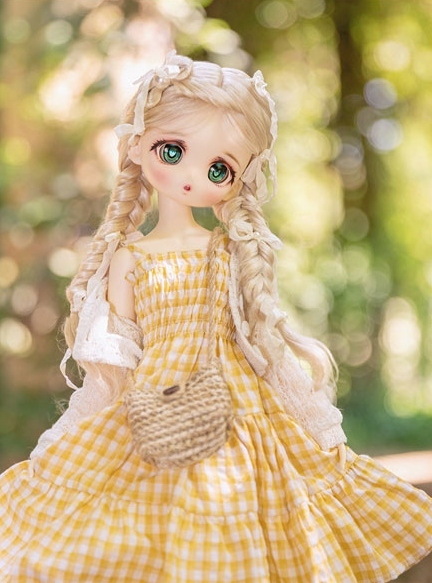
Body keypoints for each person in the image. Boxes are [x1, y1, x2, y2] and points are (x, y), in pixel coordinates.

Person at [1, 51, 431, 583]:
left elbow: (265, 347)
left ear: (241, 176)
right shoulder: (130, 257)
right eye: (173, 151)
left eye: (218, 169)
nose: (191, 177)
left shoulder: (230, 251)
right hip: (151, 411)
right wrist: (68, 433)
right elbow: (113, 366)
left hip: (240, 412)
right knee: (145, 526)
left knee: (236, 512)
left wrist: (317, 421)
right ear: (137, 145)